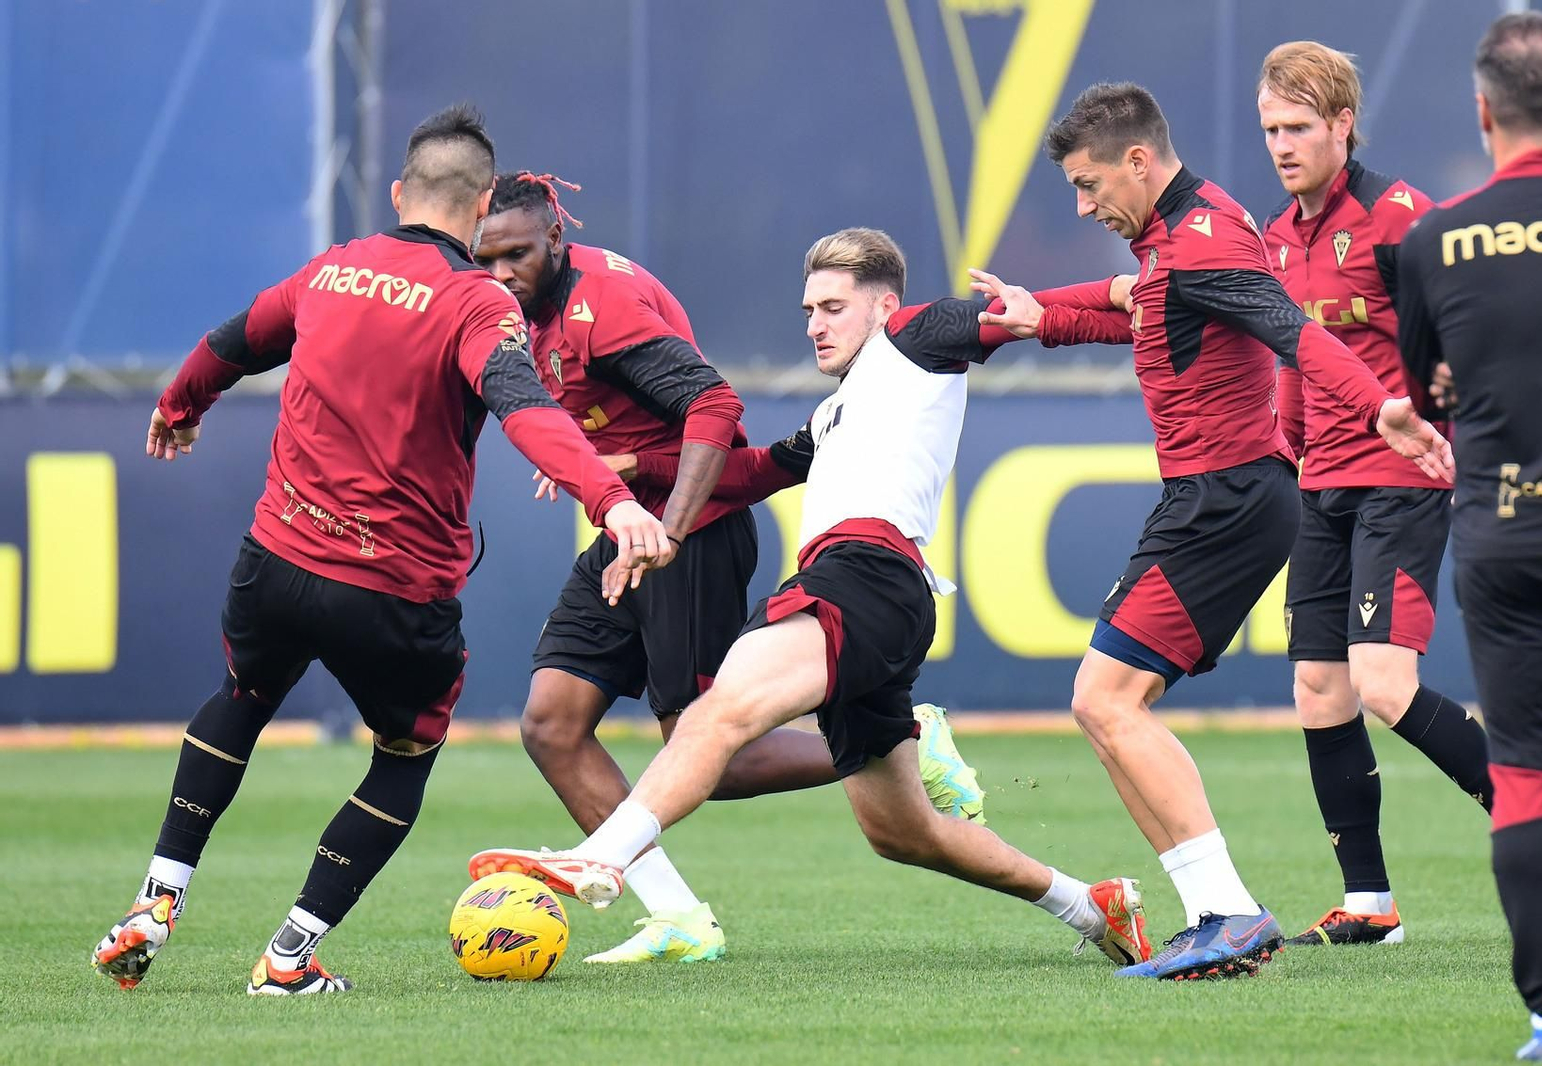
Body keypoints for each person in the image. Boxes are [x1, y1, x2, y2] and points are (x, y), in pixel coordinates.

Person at [467, 227, 1157, 970]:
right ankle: (1091, 905)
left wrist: (1124, 294)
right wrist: (631, 461)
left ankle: (602, 858)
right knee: (903, 833)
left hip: (863, 576)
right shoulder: (836, 412)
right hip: (878, 596)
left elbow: (1027, 313)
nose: (814, 325)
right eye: (807, 309)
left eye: (832, 306)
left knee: (718, 709)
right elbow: (749, 473)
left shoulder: (909, 336)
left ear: (883, 304)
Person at [90, 105, 664, 995]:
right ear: (482, 213)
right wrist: (612, 498)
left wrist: (177, 405)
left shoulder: (334, 269)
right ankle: (288, 958)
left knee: (241, 697)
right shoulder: (479, 300)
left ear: (400, 192)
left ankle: (152, 902)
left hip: (276, 560)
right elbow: (527, 410)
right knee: (404, 752)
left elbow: (231, 342)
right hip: (393, 592)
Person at [974, 81, 1452, 979]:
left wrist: (1381, 406)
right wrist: (1038, 317)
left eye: (1089, 185)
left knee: (1107, 700)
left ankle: (1229, 910)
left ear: (1140, 162)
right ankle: (1214, 912)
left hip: (1226, 502)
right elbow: (1137, 303)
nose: (1083, 205)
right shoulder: (1173, 240)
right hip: (1214, 500)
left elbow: (1293, 336)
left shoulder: (1203, 242)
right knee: (1105, 704)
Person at [1255, 41, 1493, 948]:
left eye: (1300, 127)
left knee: (1384, 684)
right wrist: (1292, 442)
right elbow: (1292, 356)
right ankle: (1369, 905)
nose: (1282, 145)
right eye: (1272, 128)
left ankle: (1528, 820)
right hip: (1321, 485)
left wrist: (1461, 435)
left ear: (1343, 125)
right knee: (1319, 687)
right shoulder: (1275, 237)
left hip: (1401, 478)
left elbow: (1464, 339)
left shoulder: (1404, 222)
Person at [1395, 13, 1542, 1056]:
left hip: (1508, 536)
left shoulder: (1434, 240)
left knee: (1524, 774)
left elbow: (1428, 390)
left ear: (1481, 115)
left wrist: (1419, 419)